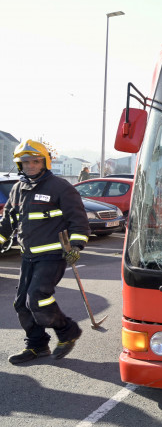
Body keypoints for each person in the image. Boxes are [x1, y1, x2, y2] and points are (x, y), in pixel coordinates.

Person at [0, 140, 90, 364]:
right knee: (21, 304)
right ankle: (37, 346)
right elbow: (7, 222)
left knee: (37, 299)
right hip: (29, 257)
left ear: (45, 162)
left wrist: (76, 246)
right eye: (25, 162)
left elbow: (79, 222)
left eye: (35, 161)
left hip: (53, 256)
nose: (30, 165)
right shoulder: (18, 190)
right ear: (20, 165)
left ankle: (67, 331)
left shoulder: (61, 188)